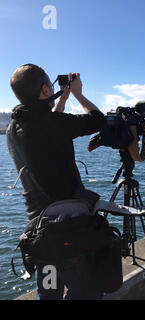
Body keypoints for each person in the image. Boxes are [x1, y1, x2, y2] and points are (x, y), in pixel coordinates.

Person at [7, 64, 106, 300]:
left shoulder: (14, 127)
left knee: (49, 294)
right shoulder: (53, 124)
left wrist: (62, 96)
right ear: (43, 90)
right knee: (86, 294)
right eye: (50, 85)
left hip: (40, 234)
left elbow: (51, 125)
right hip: (68, 232)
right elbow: (98, 121)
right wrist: (79, 94)